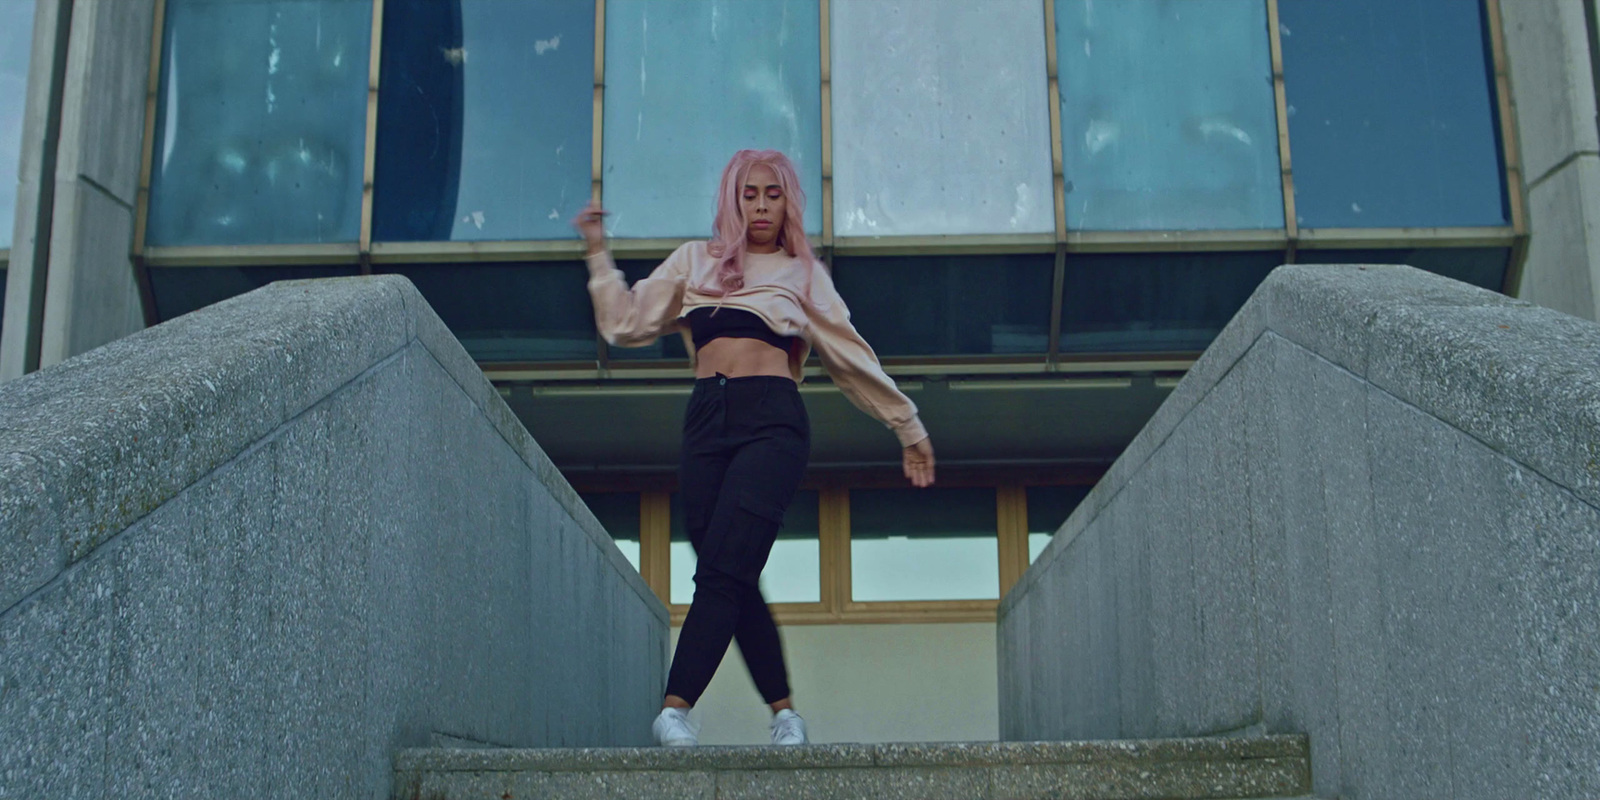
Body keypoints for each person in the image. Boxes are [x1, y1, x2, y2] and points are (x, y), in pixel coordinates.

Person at [572, 149, 935, 748]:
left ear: (787, 201)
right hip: (706, 422)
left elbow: (850, 355)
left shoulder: (803, 273)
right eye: (750, 194)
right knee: (731, 572)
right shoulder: (696, 261)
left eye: (772, 194)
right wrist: (596, 250)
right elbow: (624, 323)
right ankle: (786, 714)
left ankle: (674, 708)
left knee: (722, 569)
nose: (761, 205)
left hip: (772, 421)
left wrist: (907, 424)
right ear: (732, 201)